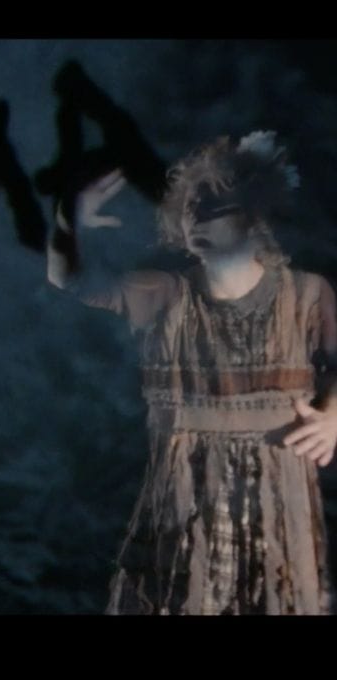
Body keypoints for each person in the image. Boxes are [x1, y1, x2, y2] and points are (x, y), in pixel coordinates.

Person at [47, 131, 335, 614]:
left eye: (213, 205)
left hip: (276, 502)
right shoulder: (165, 294)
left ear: (254, 217)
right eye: (190, 207)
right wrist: (67, 221)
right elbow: (70, 280)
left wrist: (333, 415)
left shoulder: (307, 294)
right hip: (186, 502)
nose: (196, 216)